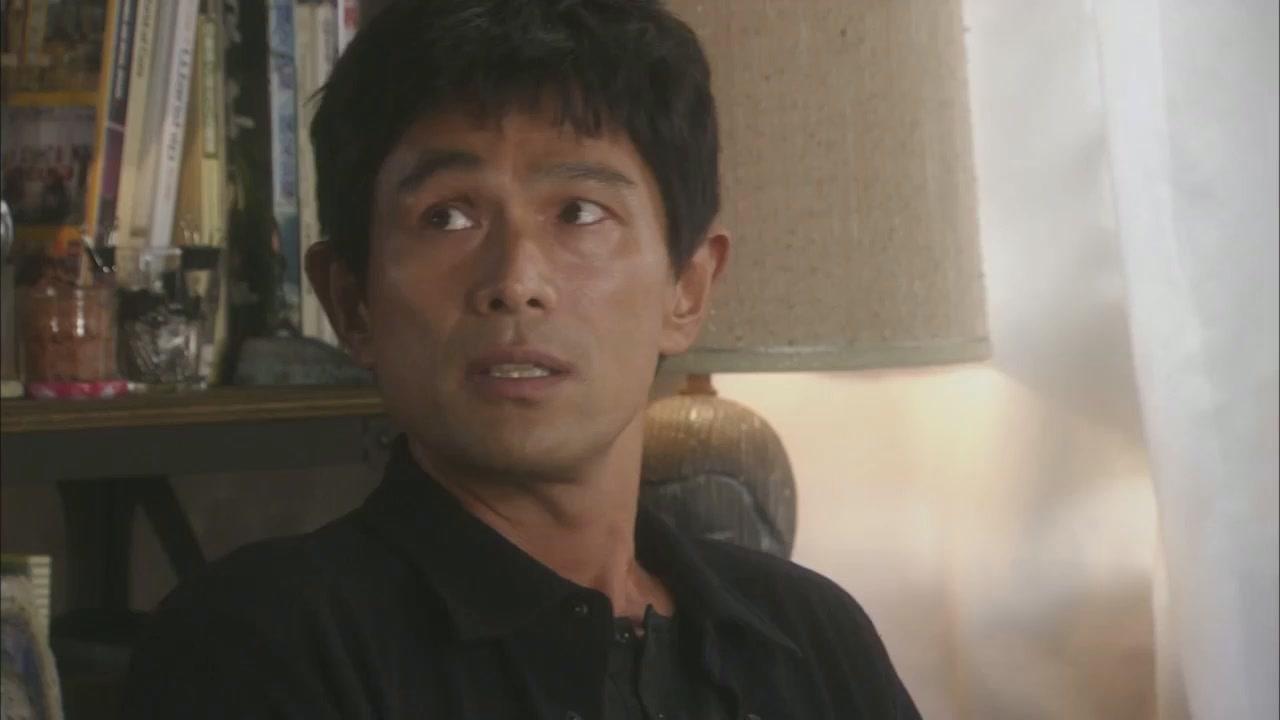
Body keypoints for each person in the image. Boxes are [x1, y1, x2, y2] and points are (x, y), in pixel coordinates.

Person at [120, 1, 922, 718]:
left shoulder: (811, 637)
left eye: (580, 212)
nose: (515, 281)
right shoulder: (259, 645)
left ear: (686, 288)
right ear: (352, 301)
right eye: (446, 216)